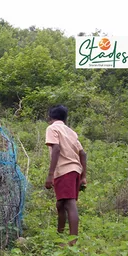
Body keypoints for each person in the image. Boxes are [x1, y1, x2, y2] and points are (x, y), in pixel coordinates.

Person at [44, 105, 87, 245]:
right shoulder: (71, 132)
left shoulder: (52, 128)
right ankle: (59, 236)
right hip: (75, 171)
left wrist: (50, 175)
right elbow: (83, 153)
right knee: (60, 204)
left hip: (64, 170)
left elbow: (56, 148)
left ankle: (72, 242)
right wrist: (83, 176)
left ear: (50, 117)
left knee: (69, 203)